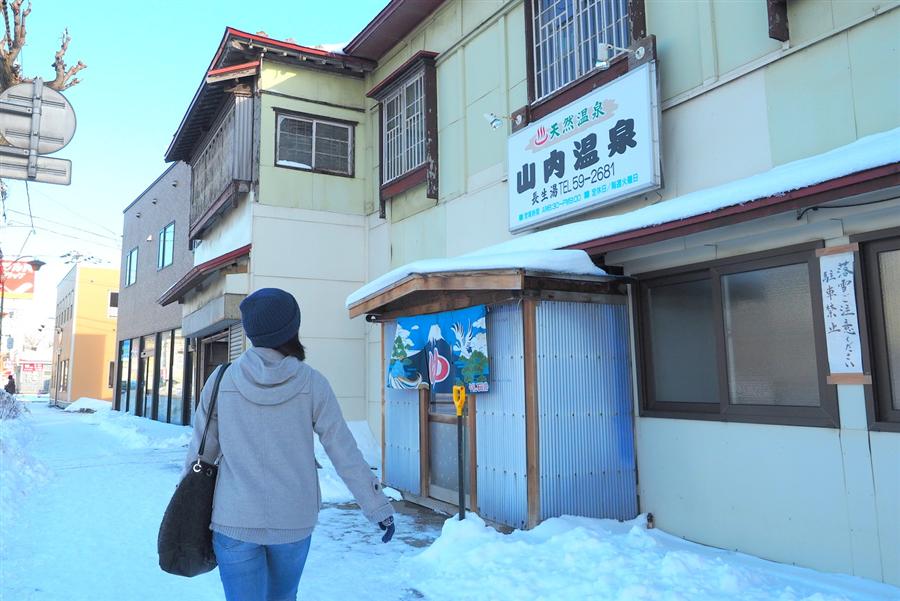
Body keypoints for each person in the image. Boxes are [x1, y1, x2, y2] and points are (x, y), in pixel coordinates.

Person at [182, 288, 395, 601]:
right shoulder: (312, 383)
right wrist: (377, 506)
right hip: (292, 520)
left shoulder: (221, 381)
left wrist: (186, 508)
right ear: (292, 328)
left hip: (234, 519)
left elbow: (200, 454)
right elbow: (343, 450)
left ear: (250, 331)